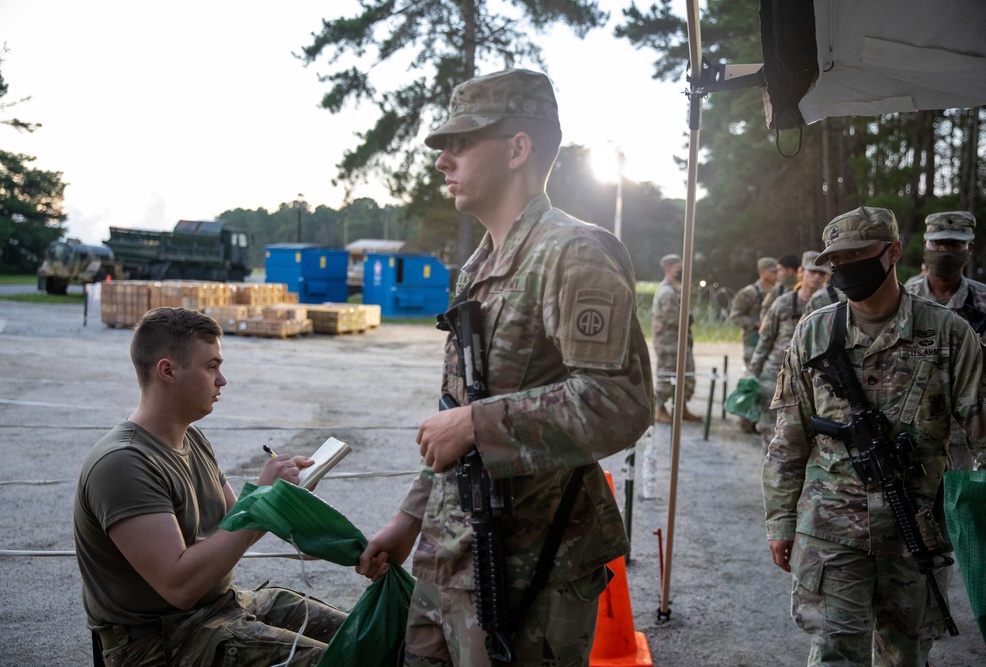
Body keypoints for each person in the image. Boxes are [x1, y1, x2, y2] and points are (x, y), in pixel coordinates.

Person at [356, 68, 654, 666]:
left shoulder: (575, 254)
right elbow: (455, 413)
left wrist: (477, 425)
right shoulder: (479, 267)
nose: (443, 160)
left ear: (519, 148)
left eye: (460, 143)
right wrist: (410, 519)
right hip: (451, 559)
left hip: (531, 573)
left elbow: (618, 403)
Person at [761, 206, 986, 665]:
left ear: (893, 252)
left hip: (915, 533)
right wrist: (780, 521)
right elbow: (788, 438)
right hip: (831, 530)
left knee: (903, 656)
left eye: (858, 255)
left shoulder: (949, 334)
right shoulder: (813, 334)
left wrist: (984, 529)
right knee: (833, 654)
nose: (846, 268)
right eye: (838, 260)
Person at [74, 307, 348, 666]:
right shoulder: (123, 463)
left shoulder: (192, 438)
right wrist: (262, 500)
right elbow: (180, 587)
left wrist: (280, 498)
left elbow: (234, 525)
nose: (222, 380)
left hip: (219, 608)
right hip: (159, 640)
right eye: (211, 367)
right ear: (167, 371)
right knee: (340, 661)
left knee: (365, 634)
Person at [904, 211, 986, 470]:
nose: (945, 251)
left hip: (969, 433)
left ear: (969, 248)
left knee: (966, 506)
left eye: (955, 244)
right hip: (912, 429)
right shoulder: (904, 299)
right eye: (938, 243)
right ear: (926, 245)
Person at [747, 251, 828, 450]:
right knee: (772, 437)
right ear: (801, 272)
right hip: (776, 377)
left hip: (812, 381)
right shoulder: (782, 303)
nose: (817, 276)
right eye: (812, 271)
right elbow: (765, 341)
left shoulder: (831, 306)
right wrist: (752, 373)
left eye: (822, 273)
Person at [729, 256, 779, 432]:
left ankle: (761, 418)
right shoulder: (748, 293)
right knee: (752, 380)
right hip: (753, 342)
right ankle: (745, 419)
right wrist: (755, 323)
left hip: (770, 342)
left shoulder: (778, 292)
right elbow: (735, 315)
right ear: (762, 272)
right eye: (773, 271)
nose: (776, 274)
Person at [652, 253, 701, 424]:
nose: (681, 272)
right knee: (667, 376)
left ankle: (682, 408)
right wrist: (688, 318)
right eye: (678, 270)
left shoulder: (674, 289)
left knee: (686, 375)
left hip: (679, 341)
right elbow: (672, 318)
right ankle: (660, 409)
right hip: (668, 342)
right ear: (668, 269)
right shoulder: (666, 292)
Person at [759, 253, 802, 322]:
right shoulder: (778, 289)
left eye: (780, 270)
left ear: (790, 271)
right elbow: (765, 310)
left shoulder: (805, 287)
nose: (777, 273)